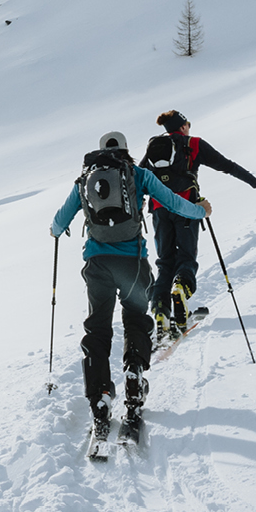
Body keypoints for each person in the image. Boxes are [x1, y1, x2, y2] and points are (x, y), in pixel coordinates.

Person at [51, 131, 209, 442]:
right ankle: (135, 377)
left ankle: (99, 397)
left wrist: (62, 227)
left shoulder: (84, 181)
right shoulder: (139, 174)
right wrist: (201, 210)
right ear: (126, 151)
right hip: (133, 263)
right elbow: (174, 203)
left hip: (97, 265)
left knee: (97, 329)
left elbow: (58, 224)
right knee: (136, 320)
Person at [140, 109, 256, 338]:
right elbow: (227, 165)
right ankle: (180, 289)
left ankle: (160, 312)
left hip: (159, 211)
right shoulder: (193, 144)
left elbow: (138, 178)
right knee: (186, 258)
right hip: (187, 207)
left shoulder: (153, 148)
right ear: (182, 126)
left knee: (164, 262)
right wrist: (254, 181)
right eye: (187, 123)